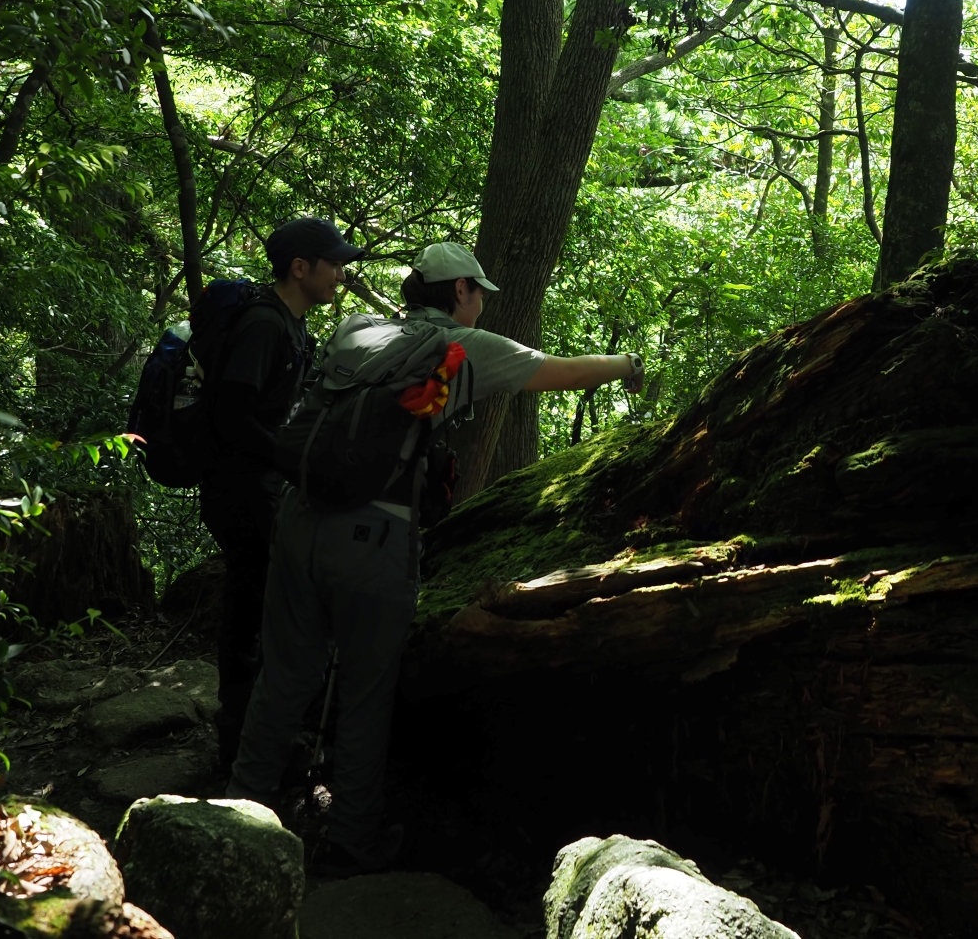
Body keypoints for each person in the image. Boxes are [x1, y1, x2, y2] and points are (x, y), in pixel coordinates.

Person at [225, 241, 644, 873]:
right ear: (459, 293)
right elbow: (565, 371)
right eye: (478, 293)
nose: (480, 305)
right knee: (367, 693)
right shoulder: (463, 350)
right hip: (375, 536)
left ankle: (234, 819)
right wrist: (629, 364)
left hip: (299, 518)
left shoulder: (358, 330)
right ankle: (352, 840)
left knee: (283, 676)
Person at [199, 216, 364, 774]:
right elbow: (231, 415)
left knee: (265, 606)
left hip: (262, 488)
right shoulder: (265, 326)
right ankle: (240, 745)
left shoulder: (291, 326)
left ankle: (255, 737)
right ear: (301, 268)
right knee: (254, 611)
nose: (340, 274)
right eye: (334, 264)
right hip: (242, 493)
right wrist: (293, 461)